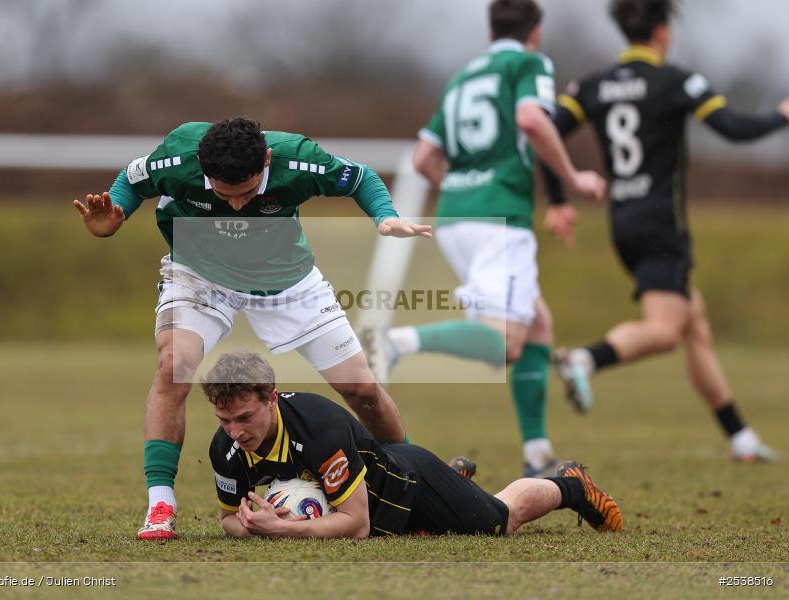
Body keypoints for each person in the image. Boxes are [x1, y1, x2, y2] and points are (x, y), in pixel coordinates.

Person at [72, 117, 432, 540]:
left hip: (285, 279)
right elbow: (131, 183)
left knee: (362, 388)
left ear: (266, 159)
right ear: (203, 170)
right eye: (226, 195)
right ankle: (160, 505)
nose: (238, 205)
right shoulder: (177, 156)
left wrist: (384, 218)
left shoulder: (300, 159)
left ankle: (418, 484)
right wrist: (114, 214)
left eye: (246, 193)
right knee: (173, 365)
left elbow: (360, 178)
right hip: (198, 273)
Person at [364, 0, 606, 477]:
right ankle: (393, 341)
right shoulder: (529, 63)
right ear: (535, 29)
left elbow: (422, 159)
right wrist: (574, 179)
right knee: (509, 340)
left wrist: (463, 185)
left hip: (455, 218)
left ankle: (538, 453)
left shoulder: (462, 77)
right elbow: (534, 121)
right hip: (499, 218)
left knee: (536, 322)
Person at [542, 0, 788, 461]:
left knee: (694, 324)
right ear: (662, 32)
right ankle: (585, 359)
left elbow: (544, 132)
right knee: (666, 329)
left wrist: (559, 199)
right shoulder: (676, 81)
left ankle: (741, 438)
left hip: (623, 225)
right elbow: (732, 127)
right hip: (662, 225)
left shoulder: (594, 85)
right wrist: (781, 115)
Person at [204, 351, 622, 538]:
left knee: (500, 520)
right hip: (375, 497)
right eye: (225, 421)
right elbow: (227, 519)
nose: (236, 432)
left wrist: (281, 530)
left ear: (272, 398)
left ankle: (571, 484)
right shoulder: (224, 448)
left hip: (408, 487)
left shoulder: (319, 429)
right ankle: (457, 481)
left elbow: (356, 525)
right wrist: (249, 526)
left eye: (245, 418)